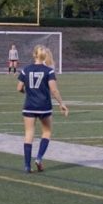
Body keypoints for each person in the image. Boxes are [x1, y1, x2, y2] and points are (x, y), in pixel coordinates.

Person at [18, 45, 68, 173]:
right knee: (46, 132)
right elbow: (54, 90)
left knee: (29, 134)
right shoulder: (49, 71)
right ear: (45, 56)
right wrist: (61, 103)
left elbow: (19, 88)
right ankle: (39, 158)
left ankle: (27, 166)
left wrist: (27, 91)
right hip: (44, 106)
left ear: (34, 55)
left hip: (29, 105)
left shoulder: (26, 69)